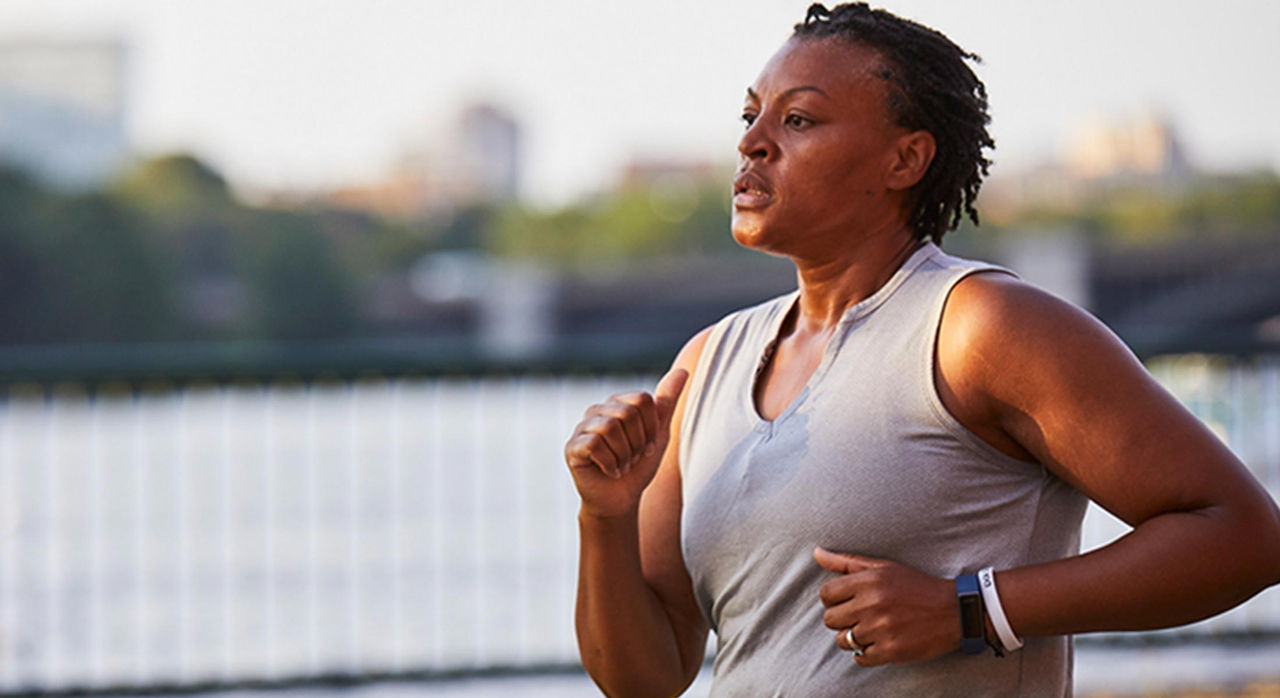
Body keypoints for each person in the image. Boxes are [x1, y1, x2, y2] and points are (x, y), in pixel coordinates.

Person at [563, 3, 1280, 696]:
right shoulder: (705, 363)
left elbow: (1244, 536)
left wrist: (972, 610)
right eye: (751, 115)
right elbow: (644, 679)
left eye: (799, 119)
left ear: (907, 158)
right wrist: (605, 516)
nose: (752, 142)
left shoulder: (984, 328)